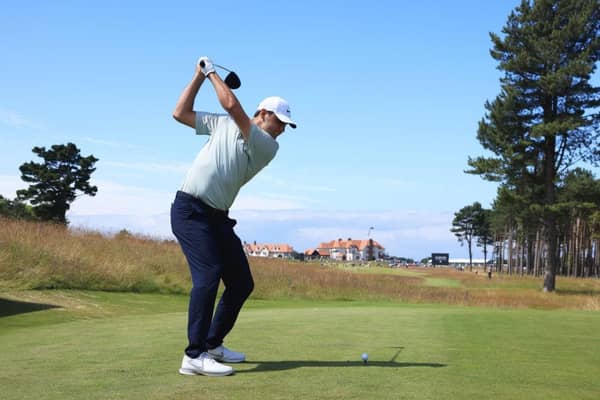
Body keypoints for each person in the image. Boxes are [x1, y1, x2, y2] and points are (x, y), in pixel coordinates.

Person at [170, 56, 297, 376]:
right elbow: (179, 113)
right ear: (264, 113)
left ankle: (212, 344)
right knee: (209, 273)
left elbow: (232, 106)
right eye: (279, 122)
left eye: (285, 126)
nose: (282, 130)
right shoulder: (223, 124)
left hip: (217, 218)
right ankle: (194, 355)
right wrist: (199, 76)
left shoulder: (267, 145)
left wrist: (211, 71)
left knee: (241, 283)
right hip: (190, 211)